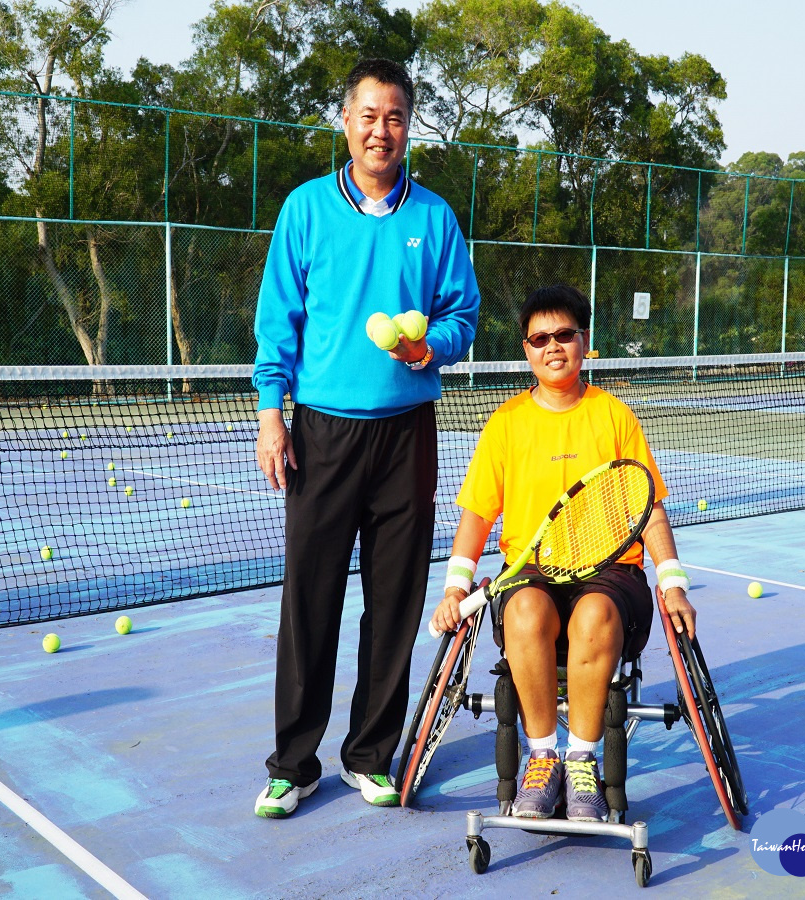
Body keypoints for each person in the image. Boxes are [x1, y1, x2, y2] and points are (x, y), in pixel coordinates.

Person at [252, 58, 480, 818]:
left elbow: (462, 316)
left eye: (396, 118)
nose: (382, 130)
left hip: (407, 434)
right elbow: (278, 320)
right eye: (369, 115)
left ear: (409, 128)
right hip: (321, 433)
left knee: (396, 601)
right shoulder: (306, 210)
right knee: (309, 600)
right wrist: (270, 414)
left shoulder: (435, 218)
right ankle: (294, 763)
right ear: (344, 123)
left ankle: (370, 755)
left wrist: (430, 349)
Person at [430, 284, 695, 823]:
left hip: (610, 572)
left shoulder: (614, 415)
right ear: (526, 349)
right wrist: (456, 587)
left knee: (595, 615)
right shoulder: (506, 423)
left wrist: (673, 583)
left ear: (584, 341)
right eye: (539, 338)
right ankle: (544, 757)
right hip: (530, 573)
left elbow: (651, 509)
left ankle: (582, 765)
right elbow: (477, 516)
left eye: (565, 335)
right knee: (526, 611)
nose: (553, 346)